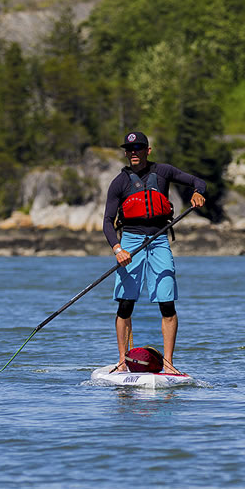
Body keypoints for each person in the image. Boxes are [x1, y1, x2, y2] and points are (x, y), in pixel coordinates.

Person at [102, 131, 209, 373]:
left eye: (138, 148)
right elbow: (107, 222)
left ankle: (169, 364)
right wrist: (118, 249)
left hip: (159, 240)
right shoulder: (119, 183)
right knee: (126, 303)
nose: (133, 153)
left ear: (147, 150)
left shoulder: (164, 172)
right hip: (130, 241)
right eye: (129, 149)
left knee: (167, 303)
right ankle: (121, 361)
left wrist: (197, 193)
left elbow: (198, 182)